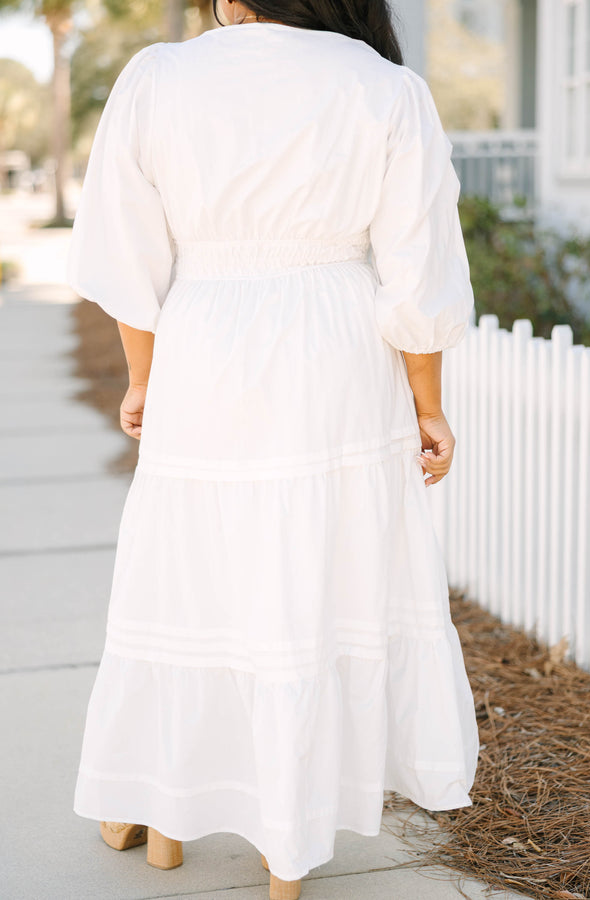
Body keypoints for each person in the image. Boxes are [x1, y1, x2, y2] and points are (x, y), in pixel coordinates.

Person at [65, 1, 480, 897]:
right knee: (311, 574)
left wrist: (144, 378)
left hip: (206, 343)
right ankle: (283, 842)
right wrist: (428, 403)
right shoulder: (384, 87)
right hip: (335, 352)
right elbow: (418, 265)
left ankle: (166, 811)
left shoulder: (159, 79)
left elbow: (127, 254)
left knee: (196, 570)